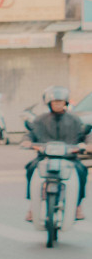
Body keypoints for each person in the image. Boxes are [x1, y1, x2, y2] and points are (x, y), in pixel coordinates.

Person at [23, 85, 88, 221]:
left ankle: (77, 206)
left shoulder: (75, 120)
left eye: (60, 102)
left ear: (66, 103)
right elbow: (30, 134)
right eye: (55, 102)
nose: (57, 104)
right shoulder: (40, 120)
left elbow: (85, 135)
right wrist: (27, 142)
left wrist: (88, 145)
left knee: (82, 170)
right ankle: (32, 206)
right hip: (44, 158)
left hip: (69, 159)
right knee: (30, 168)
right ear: (49, 103)